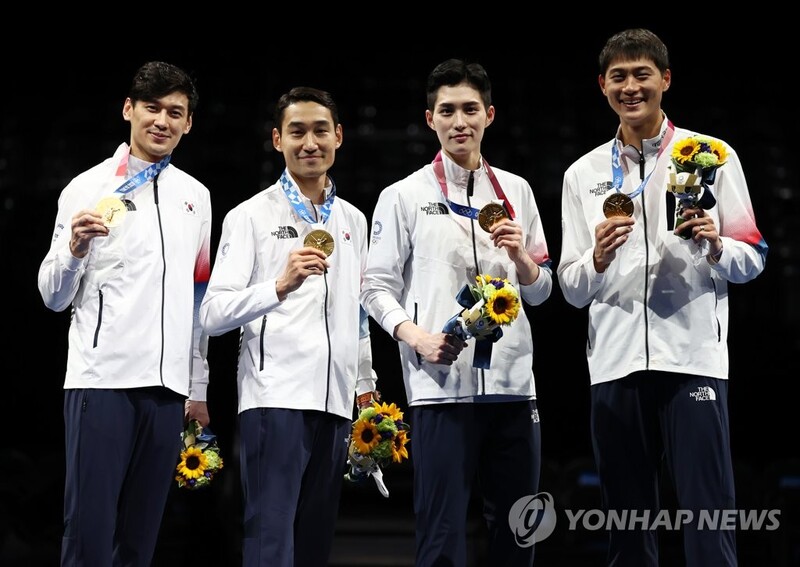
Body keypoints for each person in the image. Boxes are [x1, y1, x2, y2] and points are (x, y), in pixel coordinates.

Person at [558, 28, 769, 566]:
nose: (631, 87)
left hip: (693, 358)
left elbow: (754, 258)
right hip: (614, 362)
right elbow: (571, 287)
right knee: (626, 520)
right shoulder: (581, 174)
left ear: (665, 80)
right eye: (619, 77)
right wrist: (598, 258)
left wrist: (718, 244)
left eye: (642, 74)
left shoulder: (714, 155)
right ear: (602, 85)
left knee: (708, 513)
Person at [360, 59, 553, 566]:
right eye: (447, 110)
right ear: (430, 119)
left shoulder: (518, 191)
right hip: (438, 386)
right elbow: (374, 289)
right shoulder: (401, 196)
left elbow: (542, 292)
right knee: (440, 534)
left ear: (489, 115)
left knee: (518, 534)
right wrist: (416, 337)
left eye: (470, 109)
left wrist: (522, 261)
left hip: (514, 386)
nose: (459, 121)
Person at [37, 61, 212, 567]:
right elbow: (52, 296)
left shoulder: (196, 197)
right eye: (152, 108)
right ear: (128, 110)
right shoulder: (85, 189)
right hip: (102, 382)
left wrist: (196, 386)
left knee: (140, 541)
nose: (162, 121)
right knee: (89, 535)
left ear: (189, 123)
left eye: (174, 112)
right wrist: (73, 248)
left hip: (166, 392)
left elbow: (198, 299)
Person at [199, 86, 379, 567]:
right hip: (273, 400)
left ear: (338, 137)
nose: (310, 142)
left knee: (315, 543)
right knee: (270, 540)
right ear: (277, 140)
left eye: (321, 130)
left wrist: (365, 387)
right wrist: (278, 285)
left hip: (336, 403)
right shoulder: (249, 217)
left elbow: (359, 314)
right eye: (296, 132)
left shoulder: (353, 221)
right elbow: (213, 314)